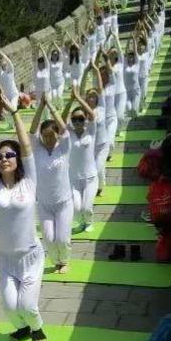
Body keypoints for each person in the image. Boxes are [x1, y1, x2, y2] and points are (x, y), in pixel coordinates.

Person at [0, 93, 46, 341]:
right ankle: (22, 327)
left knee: (28, 306)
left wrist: (14, 112)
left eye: (9, 155)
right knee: (10, 307)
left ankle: (36, 326)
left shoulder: (29, 181)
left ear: (17, 159)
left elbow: (27, 145)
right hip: (6, 258)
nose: (3, 160)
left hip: (30, 255)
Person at [29, 92, 74, 274]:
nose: (48, 138)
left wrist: (52, 108)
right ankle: (56, 261)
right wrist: (40, 107)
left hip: (64, 202)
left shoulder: (63, 148)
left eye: (51, 135)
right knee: (48, 237)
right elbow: (31, 131)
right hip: (44, 203)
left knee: (62, 238)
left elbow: (63, 128)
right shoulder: (37, 149)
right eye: (45, 136)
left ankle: (64, 261)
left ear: (57, 135)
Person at [67, 85, 98, 232]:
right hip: (73, 178)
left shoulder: (90, 131)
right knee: (76, 208)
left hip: (90, 177)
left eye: (81, 119)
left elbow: (92, 114)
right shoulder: (69, 133)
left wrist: (79, 98)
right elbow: (61, 119)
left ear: (85, 120)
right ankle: (82, 222)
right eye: (75, 119)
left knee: (86, 207)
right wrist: (70, 101)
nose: (78, 122)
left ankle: (89, 221)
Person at [81, 58, 108, 196]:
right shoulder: (84, 112)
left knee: (98, 168)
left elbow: (100, 87)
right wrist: (85, 72)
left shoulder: (101, 107)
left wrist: (96, 69)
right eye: (89, 96)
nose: (91, 98)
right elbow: (80, 92)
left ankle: (100, 186)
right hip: (91, 146)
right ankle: (98, 184)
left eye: (93, 96)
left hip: (102, 145)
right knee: (93, 169)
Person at [0, 46, 20, 111]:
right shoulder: (0, 73)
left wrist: (1, 53)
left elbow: (9, 62)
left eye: (3, 60)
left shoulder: (10, 70)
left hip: (14, 94)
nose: (2, 62)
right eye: (0, 61)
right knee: (10, 112)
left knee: (13, 108)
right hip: (7, 96)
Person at [124, 39, 142, 118]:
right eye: (129, 57)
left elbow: (135, 53)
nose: (131, 59)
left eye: (132, 57)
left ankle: (136, 121)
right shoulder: (125, 65)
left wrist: (134, 40)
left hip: (135, 91)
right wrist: (128, 41)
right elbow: (125, 52)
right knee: (128, 108)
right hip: (127, 91)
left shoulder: (137, 65)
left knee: (134, 110)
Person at [49, 44, 66, 110]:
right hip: (53, 84)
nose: (55, 56)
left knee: (59, 95)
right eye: (53, 54)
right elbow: (47, 54)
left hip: (60, 82)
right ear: (52, 55)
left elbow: (61, 52)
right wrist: (50, 46)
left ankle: (61, 107)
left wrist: (55, 44)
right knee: (54, 96)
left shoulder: (60, 61)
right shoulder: (50, 62)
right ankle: (56, 107)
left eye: (56, 54)